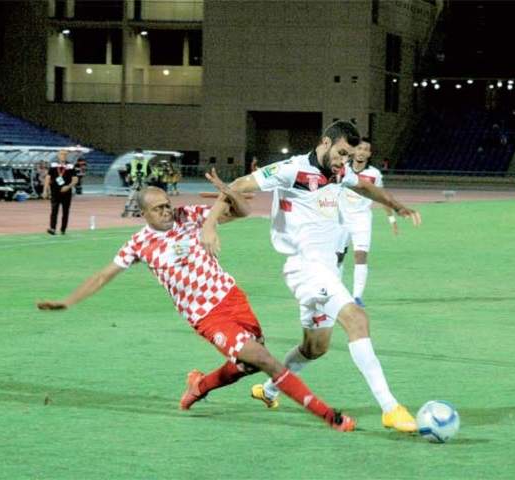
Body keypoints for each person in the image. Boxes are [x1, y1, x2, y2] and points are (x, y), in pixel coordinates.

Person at [36, 181, 355, 432]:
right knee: (263, 359)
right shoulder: (138, 244)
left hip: (232, 297)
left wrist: (228, 192)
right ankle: (329, 415)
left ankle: (199, 386)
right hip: (206, 316)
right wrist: (68, 301)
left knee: (248, 366)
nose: (166, 211)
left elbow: (242, 211)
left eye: (167, 204)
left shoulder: (186, 215)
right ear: (144, 213)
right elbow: (104, 275)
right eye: (158, 208)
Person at [202, 120, 423, 433]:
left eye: (350, 157)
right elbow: (238, 184)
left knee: (315, 347)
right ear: (325, 142)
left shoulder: (339, 172)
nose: (344, 162)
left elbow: (365, 186)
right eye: (342, 153)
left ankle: (269, 390)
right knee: (357, 319)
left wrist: (397, 207)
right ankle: (390, 408)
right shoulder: (291, 170)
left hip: (327, 270)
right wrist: (209, 225)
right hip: (305, 267)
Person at [335, 138, 398, 307]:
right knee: (338, 256)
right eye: (359, 148)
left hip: (362, 219)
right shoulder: (342, 168)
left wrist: (391, 219)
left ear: (369, 154)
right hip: (341, 219)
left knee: (360, 255)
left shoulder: (374, 174)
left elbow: (381, 197)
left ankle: (357, 296)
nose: (362, 152)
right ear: (354, 151)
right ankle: (337, 293)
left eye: (366, 149)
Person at [43, 149, 78, 235]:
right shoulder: (53, 165)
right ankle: (52, 228)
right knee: (54, 210)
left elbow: (75, 179)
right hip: (55, 191)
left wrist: (68, 186)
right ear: (58, 156)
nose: (63, 156)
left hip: (66, 192)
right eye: (61, 154)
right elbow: (48, 178)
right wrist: (45, 190)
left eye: (65, 155)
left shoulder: (70, 166)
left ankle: (63, 229)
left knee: (65, 211)